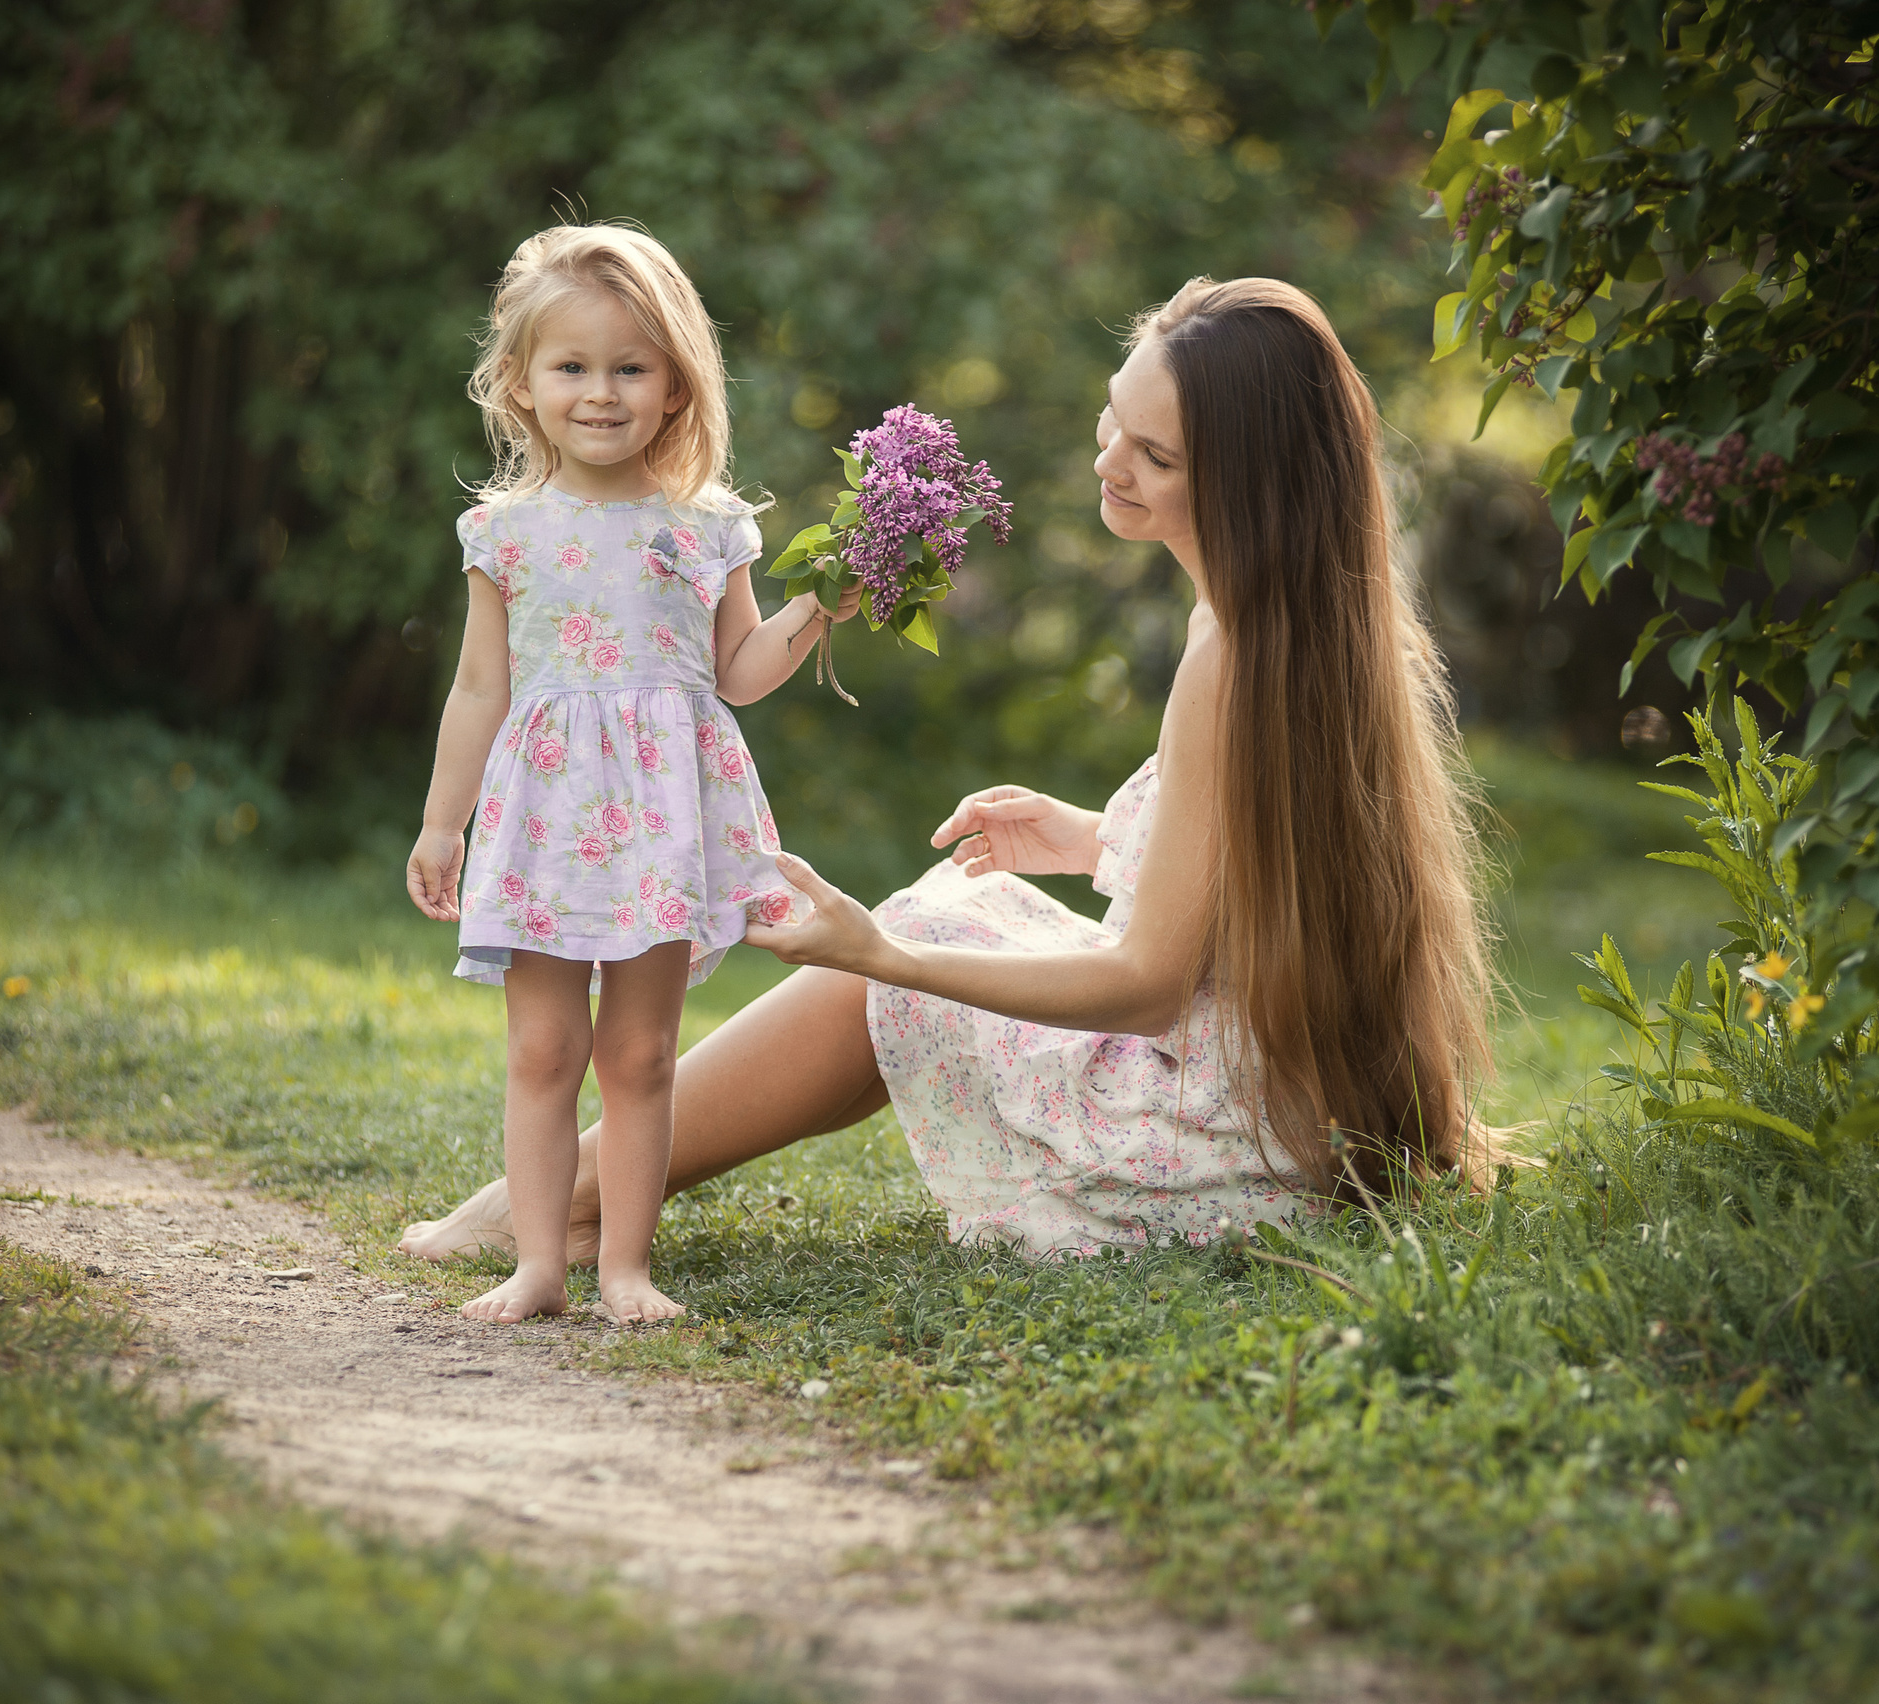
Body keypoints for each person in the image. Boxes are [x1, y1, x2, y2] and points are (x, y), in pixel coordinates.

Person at [399, 275, 1495, 1269]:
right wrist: (1090, 839)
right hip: (1287, 1093)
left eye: (1154, 457)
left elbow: (1150, 985)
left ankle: (558, 1197)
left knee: (912, 940)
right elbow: (1262, 867)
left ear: (1245, 484)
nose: (1109, 458)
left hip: (1204, 1129)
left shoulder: (1230, 656)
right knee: (964, 904)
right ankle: (576, 1191)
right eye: (1116, 417)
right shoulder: (1303, 622)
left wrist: (888, 957)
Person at [403, 223, 841, 1323]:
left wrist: (819, 600)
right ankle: (538, 1266)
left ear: (676, 387)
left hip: (659, 818)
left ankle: (624, 1271)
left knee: (642, 1054)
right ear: (521, 384)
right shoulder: (502, 533)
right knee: (545, 1047)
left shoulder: (709, 528)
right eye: (573, 367)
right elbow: (477, 688)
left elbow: (738, 673)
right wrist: (441, 824)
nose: (601, 393)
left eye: (630, 368)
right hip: (547, 813)